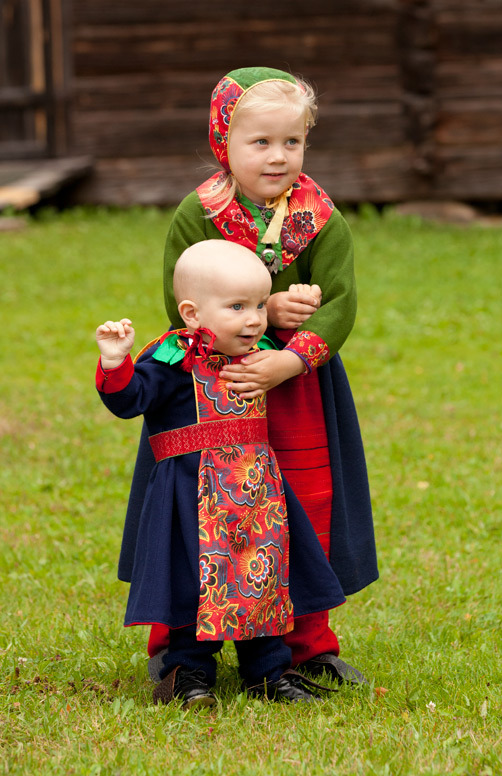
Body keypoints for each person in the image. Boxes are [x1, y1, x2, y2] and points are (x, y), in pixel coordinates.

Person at [122, 66, 379, 686]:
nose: (278, 156)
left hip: (293, 388)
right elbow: (179, 300)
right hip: (211, 390)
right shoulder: (198, 213)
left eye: (291, 142)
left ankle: (302, 643)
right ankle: (176, 642)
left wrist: (289, 356)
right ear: (224, 142)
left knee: (301, 505)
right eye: (260, 142)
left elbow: (341, 301)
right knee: (193, 505)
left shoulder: (321, 219)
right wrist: (269, 317)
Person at [96, 240, 346, 707]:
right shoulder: (172, 359)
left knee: (263, 577)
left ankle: (269, 673)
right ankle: (188, 675)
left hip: (257, 493)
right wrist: (116, 363)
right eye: (237, 307)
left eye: (258, 305)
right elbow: (130, 400)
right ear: (191, 313)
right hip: (190, 496)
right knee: (195, 581)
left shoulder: (262, 358)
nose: (254, 318)